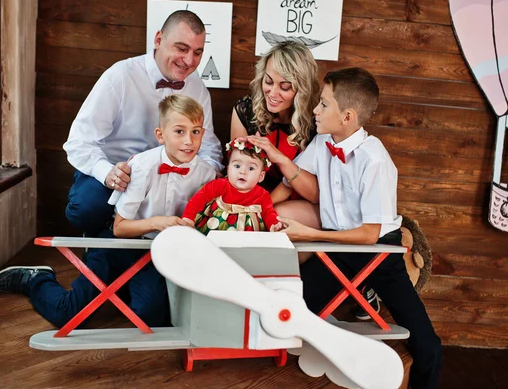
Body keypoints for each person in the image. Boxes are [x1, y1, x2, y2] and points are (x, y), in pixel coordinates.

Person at [249, 68, 442, 389]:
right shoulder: (323, 141)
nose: (315, 110)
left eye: (324, 105)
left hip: (378, 253)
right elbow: (289, 181)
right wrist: (256, 214)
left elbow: (368, 234)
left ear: (348, 116)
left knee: (426, 342)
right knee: (287, 313)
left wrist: (310, 236)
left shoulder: (375, 160)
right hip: (338, 251)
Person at [0, 94, 215, 329]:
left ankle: (125, 287)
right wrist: (158, 222)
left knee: (154, 319)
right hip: (117, 244)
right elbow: (120, 227)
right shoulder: (142, 166)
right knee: (71, 316)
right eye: (179, 131)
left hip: (156, 253)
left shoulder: (207, 174)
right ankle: (36, 279)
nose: (189, 140)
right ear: (160, 135)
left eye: (195, 132)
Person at [63, 10, 223, 237]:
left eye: (197, 52)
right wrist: (108, 173)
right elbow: (79, 141)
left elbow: (208, 145)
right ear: (158, 40)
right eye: (181, 48)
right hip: (119, 172)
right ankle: (104, 245)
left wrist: (206, 175)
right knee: (84, 210)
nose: (189, 61)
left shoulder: (197, 87)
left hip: (172, 176)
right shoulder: (119, 76)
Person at [230, 41, 319, 193]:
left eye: (284, 87)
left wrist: (280, 158)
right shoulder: (246, 109)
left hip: (296, 201)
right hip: (253, 196)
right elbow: (237, 175)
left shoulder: (316, 121)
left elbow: (315, 195)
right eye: (268, 81)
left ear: (302, 90)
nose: (272, 93)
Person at [182, 139, 283, 235]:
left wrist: (274, 225)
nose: (242, 172)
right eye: (237, 166)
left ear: (261, 176)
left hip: (248, 237)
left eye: (251, 168)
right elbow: (199, 199)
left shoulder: (262, 194)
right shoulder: (219, 185)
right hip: (216, 232)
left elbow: (268, 213)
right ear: (228, 169)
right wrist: (188, 218)